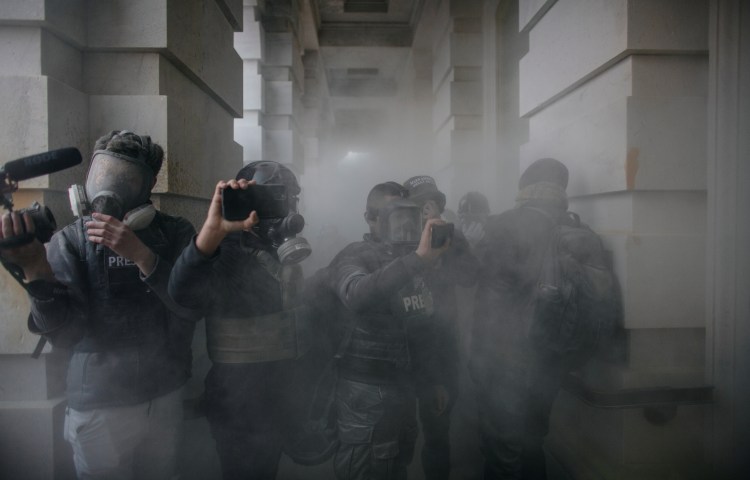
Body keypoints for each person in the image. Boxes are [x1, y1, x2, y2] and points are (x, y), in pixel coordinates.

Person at [0, 130, 199, 479]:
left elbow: (191, 304)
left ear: (148, 184)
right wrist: (35, 268)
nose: (109, 189)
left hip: (164, 394)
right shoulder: (71, 240)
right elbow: (64, 334)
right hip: (100, 407)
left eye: (126, 179)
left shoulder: (175, 233)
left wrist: (141, 254)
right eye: (103, 175)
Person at [167, 161, 312, 479]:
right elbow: (181, 292)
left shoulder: (279, 250)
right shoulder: (227, 251)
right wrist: (210, 236)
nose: (282, 209)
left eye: (287, 199)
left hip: (277, 396)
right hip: (239, 403)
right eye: (270, 199)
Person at [326, 181, 450, 480]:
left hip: (404, 387)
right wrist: (417, 260)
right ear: (370, 218)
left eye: (410, 215)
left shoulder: (416, 259)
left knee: (396, 466)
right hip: (365, 391)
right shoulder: (356, 254)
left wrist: (433, 380)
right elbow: (356, 294)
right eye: (394, 214)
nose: (405, 223)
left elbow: (424, 325)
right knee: (367, 468)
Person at [469, 158, 576, 479]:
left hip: (506, 359)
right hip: (551, 360)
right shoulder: (574, 227)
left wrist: (478, 359)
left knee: (502, 449)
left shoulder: (504, 224)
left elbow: (490, 294)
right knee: (532, 442)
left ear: (525, 188)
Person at [401, 175, 479, 480]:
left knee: (437, 433)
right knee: (395, 437)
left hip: (441, 347)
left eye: (430, 204)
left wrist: (452, 240)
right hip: (400, 351)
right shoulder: (395, 237)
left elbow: (470, 276)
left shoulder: (448, 238)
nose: (424, 211)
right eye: (418, 205)